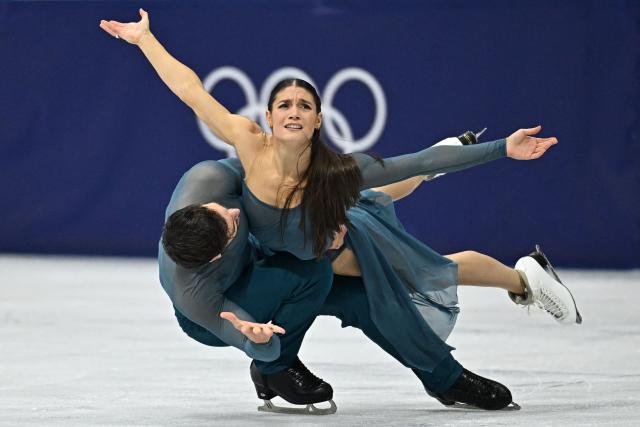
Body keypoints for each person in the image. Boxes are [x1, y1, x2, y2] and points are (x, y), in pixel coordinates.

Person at [99, 9, 580, 411]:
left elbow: (414, 159)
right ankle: (281, 369)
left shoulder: (322, 172)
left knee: (408, 266)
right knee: (380, 234)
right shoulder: (244, 153)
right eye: (284, 104)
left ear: (317, 118)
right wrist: (145, 40)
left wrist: (502, 150)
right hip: (284, 259)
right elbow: (191, 92)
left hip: (315, 243)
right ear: (267, 117)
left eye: (303, 105)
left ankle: (513, 292)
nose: (292, 111)